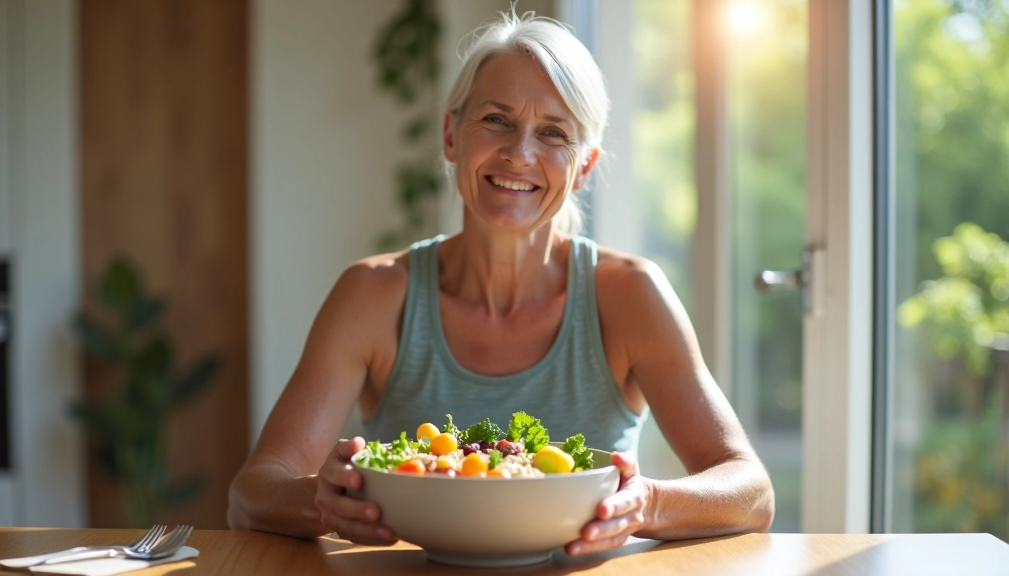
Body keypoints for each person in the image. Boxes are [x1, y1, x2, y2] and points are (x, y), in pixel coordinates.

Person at [227, 8, 775, 556]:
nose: (520, 152)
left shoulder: (629, 295)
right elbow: (252, 492)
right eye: (496, 119)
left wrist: (646, 503)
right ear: (450, 134)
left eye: (554, 133)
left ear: (584, 167)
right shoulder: (373, 295)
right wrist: (322, 501)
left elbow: (750, 491)